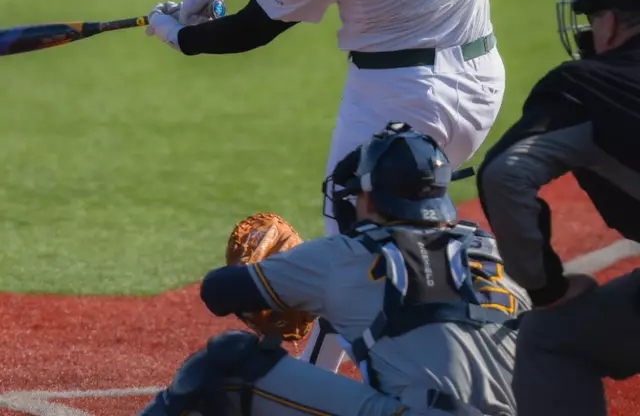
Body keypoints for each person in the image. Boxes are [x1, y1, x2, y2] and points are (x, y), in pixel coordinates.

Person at [145, 0, 505, 369]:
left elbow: (252, 30)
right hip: (479, 81)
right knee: (393, 252)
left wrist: (178, 35)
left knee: (352, 268)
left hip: (400, 100)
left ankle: (318, 395)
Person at [139, 123, 528, 416]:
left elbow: (218, 291)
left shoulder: (349, 254)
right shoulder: (493, 250)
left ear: (372, 196)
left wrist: (279, 275)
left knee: (225, 362)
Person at [477, 0, 640, 416]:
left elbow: (506, 174)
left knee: (552, 337)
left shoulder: (586, 84)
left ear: (609, 24)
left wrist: (546, 287)